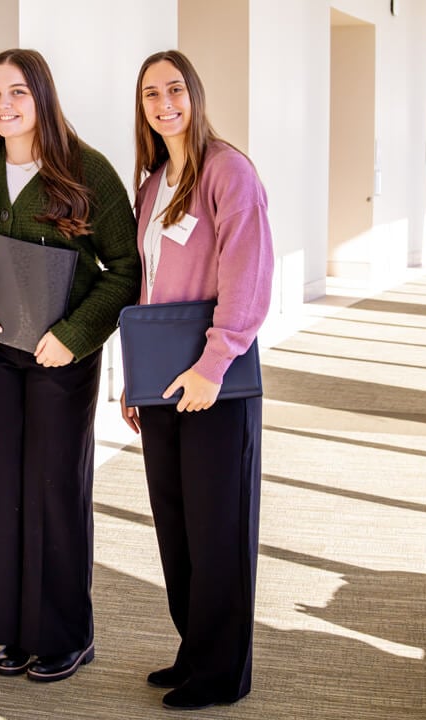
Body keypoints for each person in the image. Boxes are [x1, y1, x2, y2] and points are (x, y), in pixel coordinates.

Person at [0, 48, 140, 683]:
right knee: (6, 489)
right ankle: (15, 628)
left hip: (61, 354)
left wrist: (76, 334)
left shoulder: (88, 171)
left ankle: (66, 633)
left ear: (42, 97)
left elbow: (125, 271)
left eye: (17, 93)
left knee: (56, 490)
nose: (4, 106)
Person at [120, 50, 273, 710]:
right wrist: (136, 382)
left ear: (195, 94)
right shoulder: (153, 183)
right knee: (177, 526)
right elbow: (150, 287)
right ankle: (194, 651)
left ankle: (221, 672)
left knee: (219, 531)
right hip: (163, 385)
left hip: (214, 381)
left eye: (174, 88)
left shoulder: (227, 170)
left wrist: (215, 364)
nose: (164, 103)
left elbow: (249, 277)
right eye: (151, 93)